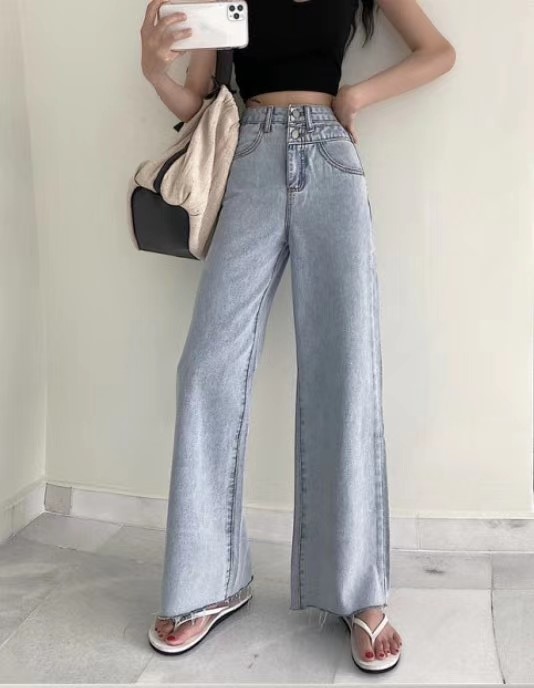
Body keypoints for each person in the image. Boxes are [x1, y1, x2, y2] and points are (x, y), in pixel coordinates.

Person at [141, 0, 455, 673]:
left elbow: (439, 52)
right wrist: (153, 70)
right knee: (205, 369)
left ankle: (358, 591)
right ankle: (207, 580)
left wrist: (356, 97)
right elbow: (196, 98)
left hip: (333, 160)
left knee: (347, 369)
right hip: (249, 157)